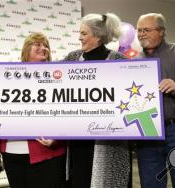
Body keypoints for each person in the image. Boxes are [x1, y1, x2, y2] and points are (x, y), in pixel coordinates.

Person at [63, 13, 130, 188]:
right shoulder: (71, 58)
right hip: (79, 142)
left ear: (98, 35)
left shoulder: (119, 60)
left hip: (109, 143)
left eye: (84, 33)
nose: (79, 37)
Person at [136, 13, 175, 188]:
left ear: (162, 31)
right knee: (150, 183)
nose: (141, 34)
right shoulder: (132, 62)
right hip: (147, 132)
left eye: (146, 30)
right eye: (139, 30)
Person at [0, 32, 66, 188]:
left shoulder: (60, 75)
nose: (43, 48)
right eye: (38, 44)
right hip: (12, 152)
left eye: (46, 45)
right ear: (27, 49)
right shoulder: (6, 75)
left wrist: (58, 137)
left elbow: (68, 112)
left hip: (47, 152)